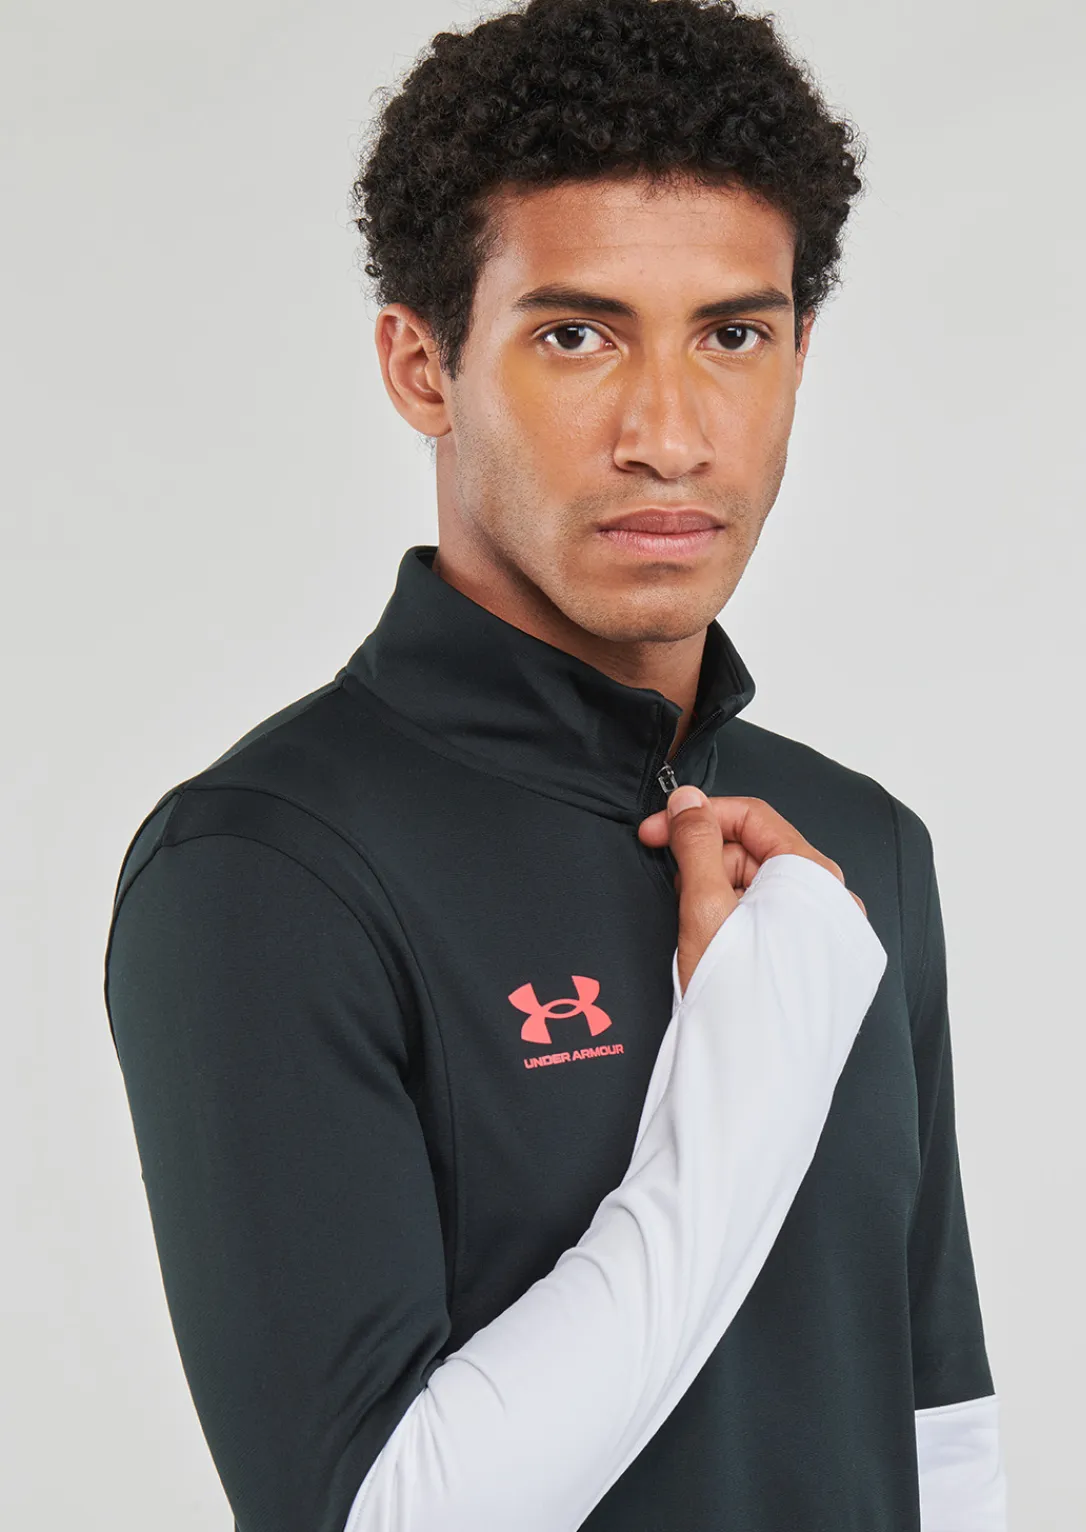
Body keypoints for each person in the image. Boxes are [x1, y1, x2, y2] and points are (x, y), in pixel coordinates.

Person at [103, 0, 1008, 1528]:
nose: (671, 434)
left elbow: (940, 1433)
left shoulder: (859, 849)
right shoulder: (264, 869)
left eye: (734, 335)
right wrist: (748, 1076)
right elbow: (376, 1513)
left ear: (800, 354)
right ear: (423, 366)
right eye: (576, 335)